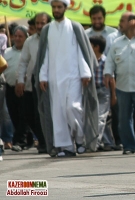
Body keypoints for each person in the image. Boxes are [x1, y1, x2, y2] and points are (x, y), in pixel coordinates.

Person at [34, 0, 99, 157]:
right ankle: (66, 147)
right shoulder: (47, 30)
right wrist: (42, 76)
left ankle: (80, 139)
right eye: (54, 7)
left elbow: (81, 51)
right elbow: (45, 55)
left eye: (59, 7)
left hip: (73, 76)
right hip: (54, 79)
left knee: (72, 108)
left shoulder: (74, 26)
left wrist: (85, 73)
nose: (56, 10)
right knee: (58, 113)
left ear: (65, 8)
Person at [104, 12, 135, 155]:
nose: (120, 23)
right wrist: (108, 74)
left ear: (132, 22)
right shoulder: (117, 42)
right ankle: (129, 146)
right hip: (122, 87)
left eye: (123, 20)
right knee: (124, 118)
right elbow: (110, 62)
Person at [15, 12, 52, 154]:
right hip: (34, 82)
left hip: (52, 80)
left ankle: (48, 142)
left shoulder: (53, 38)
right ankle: (43, 141)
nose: (39, 26)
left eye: (43, 23)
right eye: (37, 23)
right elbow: (23, 62)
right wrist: (20, 81)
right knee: (33, 114)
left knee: (48, 112)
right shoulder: (30, 42)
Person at [85, 5, 117, 151]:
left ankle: (98, 143)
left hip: (107, 84)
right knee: (93, 117)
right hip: (90, 86)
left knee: (103, 118)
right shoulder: (85, 35)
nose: (97, 21)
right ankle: (108, 143)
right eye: (94, 18)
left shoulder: (113, 34)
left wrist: (113, 92)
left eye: (99, 18)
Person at [3, 26, 30, 151]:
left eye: (21, 36)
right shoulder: (7, 52)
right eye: (16, 36)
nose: (17, 39)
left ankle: (20, 141)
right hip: (9, 88)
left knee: (24, 115)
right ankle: (28, 139)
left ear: (26, 37)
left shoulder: (28, 51)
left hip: (26, 88)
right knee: (14, 115)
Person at [89, 35, 117, 151]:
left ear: (96, 47)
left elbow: (111, 79)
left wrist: (113, 95)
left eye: (90, 45)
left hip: (104, 92)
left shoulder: (106, 61)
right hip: (91, 92)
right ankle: (108, 142)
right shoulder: (89, 61)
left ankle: (94, 143)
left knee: (100, 118)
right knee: (95, 118)